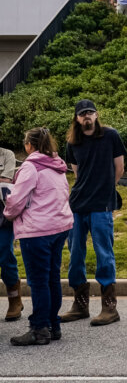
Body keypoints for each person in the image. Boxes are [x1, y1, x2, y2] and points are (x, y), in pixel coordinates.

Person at [3, 128, 73, 346]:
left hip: (37, 230)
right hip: (59, 226)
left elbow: (16, 201)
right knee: (52, 278)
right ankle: (54, 324)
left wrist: (7, 214)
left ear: (29, 145)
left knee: (38, 281)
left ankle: (39, 328)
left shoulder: (30, 167)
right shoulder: (57, 166)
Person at [60, 99, 125, 327]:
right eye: (82, 114)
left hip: (102, 204)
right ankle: (80, 304)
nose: (86, 116)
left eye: (90, 112)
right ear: (77, 118)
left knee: (103, 252)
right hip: (77, 204)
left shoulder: (111, 136)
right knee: (75, 252)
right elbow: (77, 174)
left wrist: (107, 189)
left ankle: (109, 308)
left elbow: (119, 168)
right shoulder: (72, 142)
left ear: (96, 115)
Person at [1, 146, 20, 322]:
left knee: (5, 256)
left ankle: (14, 299)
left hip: (3, 215)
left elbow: (5, 181)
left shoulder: (7, 155)